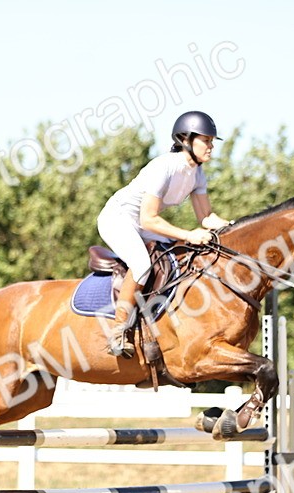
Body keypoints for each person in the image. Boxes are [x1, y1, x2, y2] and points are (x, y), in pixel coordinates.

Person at [96, 110, 232, 358]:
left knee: (181, 257)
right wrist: (188, 235)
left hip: (143, 223)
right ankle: (119, 328)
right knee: (142, 264)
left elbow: (206, 218)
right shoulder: (164, 166)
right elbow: (148, 218)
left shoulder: (197, 173)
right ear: (186, 140)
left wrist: (235, 226)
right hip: (118, 219)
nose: (211, 146)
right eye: (206, 140)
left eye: (212, 141)